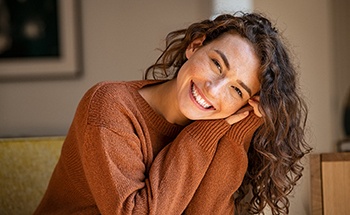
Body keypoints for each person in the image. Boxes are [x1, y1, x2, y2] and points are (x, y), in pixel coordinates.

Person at [34, 12, 311, 215]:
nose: (214, 90)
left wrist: (238, 131)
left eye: (237, 91)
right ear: (195, 46)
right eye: (217, 64)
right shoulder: (110, 106)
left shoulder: (220, 127)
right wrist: (206, 131)